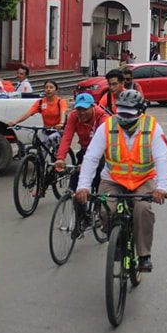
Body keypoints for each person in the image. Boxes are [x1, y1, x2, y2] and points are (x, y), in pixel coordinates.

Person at [75, 89, 167, 274]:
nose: (124, 118)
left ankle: (144, 255)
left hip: (143, 179)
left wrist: (161, 188)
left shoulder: (152, 127)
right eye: (121, 113)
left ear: (140, 112)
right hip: (113, 179)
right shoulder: (107, 126)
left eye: (129, 114)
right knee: (104, 209)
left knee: (143, 210)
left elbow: (161, 158)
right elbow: (92, 157)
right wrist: (83, 186)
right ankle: (115, 240)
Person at [56, 93, 108, 231]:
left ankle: (98, 204)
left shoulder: (103, 118)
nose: (82, 113)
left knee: (97, 178)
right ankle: (82, 217)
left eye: (85, 109)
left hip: (102, 152)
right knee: (74, 185)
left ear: (93, 106)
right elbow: (67, 136)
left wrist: (88, 165)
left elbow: (102, 143)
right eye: (79, 109)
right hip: (85, 151)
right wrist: (60, 158)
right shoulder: (74, 116)